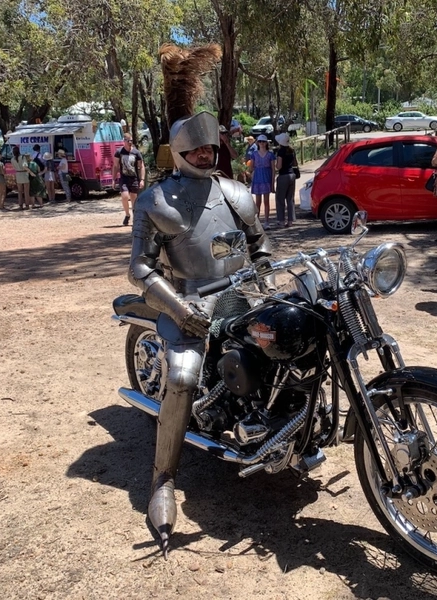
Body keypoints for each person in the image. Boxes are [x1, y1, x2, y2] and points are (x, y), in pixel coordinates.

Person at [127, 43, 271, 557]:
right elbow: (139, 267)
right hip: (188, 300)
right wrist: (177, 308)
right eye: (199, 151)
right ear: (181, 152)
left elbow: (260, 246)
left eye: (212, 151)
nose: (208, 157)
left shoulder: (235, 192)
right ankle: (162, 480)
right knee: (185, 377)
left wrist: (267, 275)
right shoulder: (155, 200)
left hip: (241, 294)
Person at [112, 133, 144, 226]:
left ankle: (135, 216)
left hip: (134, 178)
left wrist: (142, 179)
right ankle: (127, 214)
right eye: (128, 141)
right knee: (125, 196)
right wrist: (113, 179)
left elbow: (142, 166)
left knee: (134, 198)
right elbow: (115, 166)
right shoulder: (119, 152)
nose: (130, 143)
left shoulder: (136, 153)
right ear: (124, 141)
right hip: (124, 178)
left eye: (131, 141)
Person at [249, 134, 275, 228]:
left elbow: (273, 170)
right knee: (258, 202)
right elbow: (251, 167)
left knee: (266, 202)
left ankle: (266, 221)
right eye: (260, 141)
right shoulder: (254, 154)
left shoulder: (270, 154)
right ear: (257, 143)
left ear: (266, 143)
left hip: (267, 179)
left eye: (263, 141)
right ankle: (257, 222)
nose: (261, 143)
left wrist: (273, 183)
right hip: (257, 179)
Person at [274, 132, 299, 227]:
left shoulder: (280, 152)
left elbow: (279, 166)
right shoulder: (292, 150)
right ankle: (290, 220)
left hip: (283, 175)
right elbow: (295, 163)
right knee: (290, 198)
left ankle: (281, 220)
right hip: (292, 174)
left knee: (280, 199)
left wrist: (275, 166)